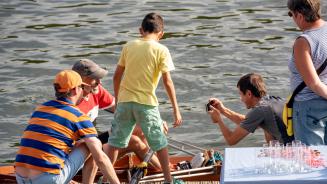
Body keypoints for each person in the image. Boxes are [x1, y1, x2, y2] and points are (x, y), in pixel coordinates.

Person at [107, 12, 182, 184]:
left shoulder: (129, 45)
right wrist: (176, 110)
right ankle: (168, 180)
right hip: (146, 104)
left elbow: (116, 76)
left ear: (141, 30)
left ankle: (106, 179)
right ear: (161, 34)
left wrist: (118, 101)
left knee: (115, 143)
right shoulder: (161, 49)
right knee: (160, 143)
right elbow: (168, 81)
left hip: (125, 102)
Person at [14, 70, 120, 184]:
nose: (83, 91)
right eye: (81, 87)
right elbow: (100, 158)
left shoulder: (40, 109)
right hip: (48, 179)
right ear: (75, 90)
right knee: (92, 144)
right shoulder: (78, 115)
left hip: (20, 177)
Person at [72, 59, 163, 171]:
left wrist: (151, 121)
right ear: (81, 81)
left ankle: (160, 167)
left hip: (93, 141)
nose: (99, 82)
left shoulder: (96, 90)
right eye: (95, 78)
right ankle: (166, 171)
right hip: (80, 151)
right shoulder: (73, 107)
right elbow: (77, 144)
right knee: (134, 140)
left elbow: (123, 109)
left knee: (140, 128)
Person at [207, 73, 293, 146]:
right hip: (296, 146)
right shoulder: (275, 100)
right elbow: (247, 122)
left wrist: (218, 120)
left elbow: (231, 140)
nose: (241, 99)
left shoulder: (260, 110)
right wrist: (223, 110)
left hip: (290, 153)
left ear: (248, 94)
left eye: (241, 95)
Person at [287, 0, 327, 145]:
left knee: (312, 162)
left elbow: (314, 83)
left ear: (300, 16)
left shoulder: (304, 42)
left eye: (291, 14)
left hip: (309, 110)